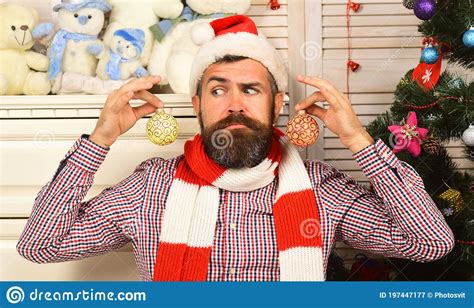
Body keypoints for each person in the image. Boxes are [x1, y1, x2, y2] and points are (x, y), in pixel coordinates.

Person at [16, 16, 454, 281]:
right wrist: (99, 141)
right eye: (218, 90)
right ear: (197, 105)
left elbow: (430, 242)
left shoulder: (322, 190)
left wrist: (359, 140)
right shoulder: (151, 186)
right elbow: (41, 245)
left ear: (278, 104)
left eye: (250, 89)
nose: (235, 105)